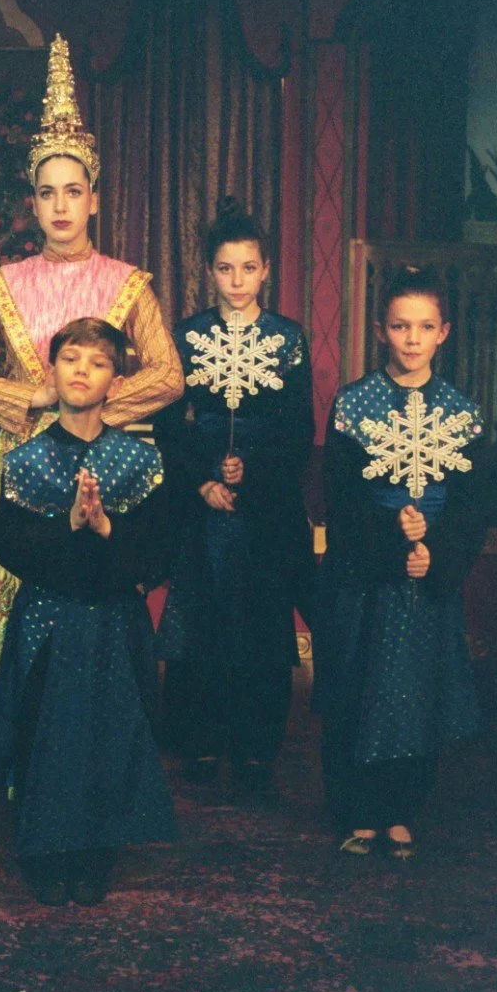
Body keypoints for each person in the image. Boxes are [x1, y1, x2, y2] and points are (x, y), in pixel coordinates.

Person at [0, 33, 183, 696]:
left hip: (111, 462)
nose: (59, 206)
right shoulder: (2, 282)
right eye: (47, 193)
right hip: (23, 460)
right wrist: (42, 401)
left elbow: (168, 374)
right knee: (21, 607)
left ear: (94, 199)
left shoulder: (128, 282)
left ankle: (106, 739)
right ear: (33, 202)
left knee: (101, 603)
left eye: (72, 191)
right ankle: (21, 750)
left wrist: (95, 408)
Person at [0, 318, 175, 906]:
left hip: (113, 626)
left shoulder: (139, 462)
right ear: (52, 371)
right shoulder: (26, 460)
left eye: (96, 364)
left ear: (114, 382)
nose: (80, 372)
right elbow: (10, 547)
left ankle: (96, 853)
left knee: (108, 733)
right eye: (70, 360)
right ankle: (46, 851)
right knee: (46, 733)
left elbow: (157, 551)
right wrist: (69, 529)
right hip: (48, 621)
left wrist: (106, 526)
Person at [317, 264, 488, 859]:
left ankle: (401, 810)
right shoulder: (353, 404)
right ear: (381, 330)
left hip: (427, 584)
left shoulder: (462, 413)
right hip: (366, 578)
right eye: (399, 326)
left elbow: (472, 508)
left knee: (416, 692)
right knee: (357, 687)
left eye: (424, 327)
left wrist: (433, 552)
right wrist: (393, 541)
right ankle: (356, 810)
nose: (411, 339)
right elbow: (338, 500)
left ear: (444, 332)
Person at [154, 200, 315, 798]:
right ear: (210, 272)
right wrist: (202, 481)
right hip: (202, 506)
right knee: (201, 628)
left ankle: (255, 751)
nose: (238, 281)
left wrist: (253, 475)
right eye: (226, 269)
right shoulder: (187, 336)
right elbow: (169, 425)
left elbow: (299, 430)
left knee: (260, 627)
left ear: (266, 269)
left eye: (249, 268)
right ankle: (199, 743)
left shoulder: (288, 339)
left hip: (265, 507)